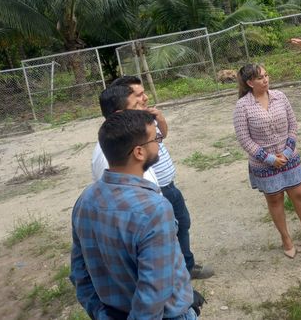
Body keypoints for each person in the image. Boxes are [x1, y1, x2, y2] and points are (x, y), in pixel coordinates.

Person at [70, 110, 197, 319]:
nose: (159, 143)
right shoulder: (154, 209)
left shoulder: (85, 200)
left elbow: (79, 272)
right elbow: (153, 293)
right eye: (155, 139)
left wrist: (100, 313)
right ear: (139, 152)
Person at [109, 76, 214, 280]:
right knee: (164, 235)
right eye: (139, 95)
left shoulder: (145, 120)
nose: (145, 98)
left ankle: (187, 266)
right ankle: (173, 275)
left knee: (182, 224)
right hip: (154, 192)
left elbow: (161, 137)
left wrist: (161, 120)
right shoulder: (124, 135)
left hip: (169, 186)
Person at [233, 64, 301, 258]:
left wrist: (287, 151)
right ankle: (286, 239)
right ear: (250, 83)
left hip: (288, 156)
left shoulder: (280, 97)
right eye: (260, 78)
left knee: (300, 194)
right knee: (275, 199)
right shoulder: (242, 106)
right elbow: (244, 139)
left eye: (266, 75)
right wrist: (269, 159)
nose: (266, 80)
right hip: (264, 163)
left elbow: (293, 125)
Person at [91, 84, 159, 186]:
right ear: (120, 114)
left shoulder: (130, 140)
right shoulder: (108, 159)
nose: (143, 109)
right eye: (135, 106)